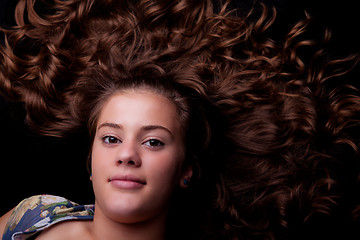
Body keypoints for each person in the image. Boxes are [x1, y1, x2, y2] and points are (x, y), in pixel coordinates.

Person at [1, 0, 360, 239]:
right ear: (90, 162)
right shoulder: (35, 216)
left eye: (153, 141)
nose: (127, 154)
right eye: (111, 138)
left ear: (186, 170)